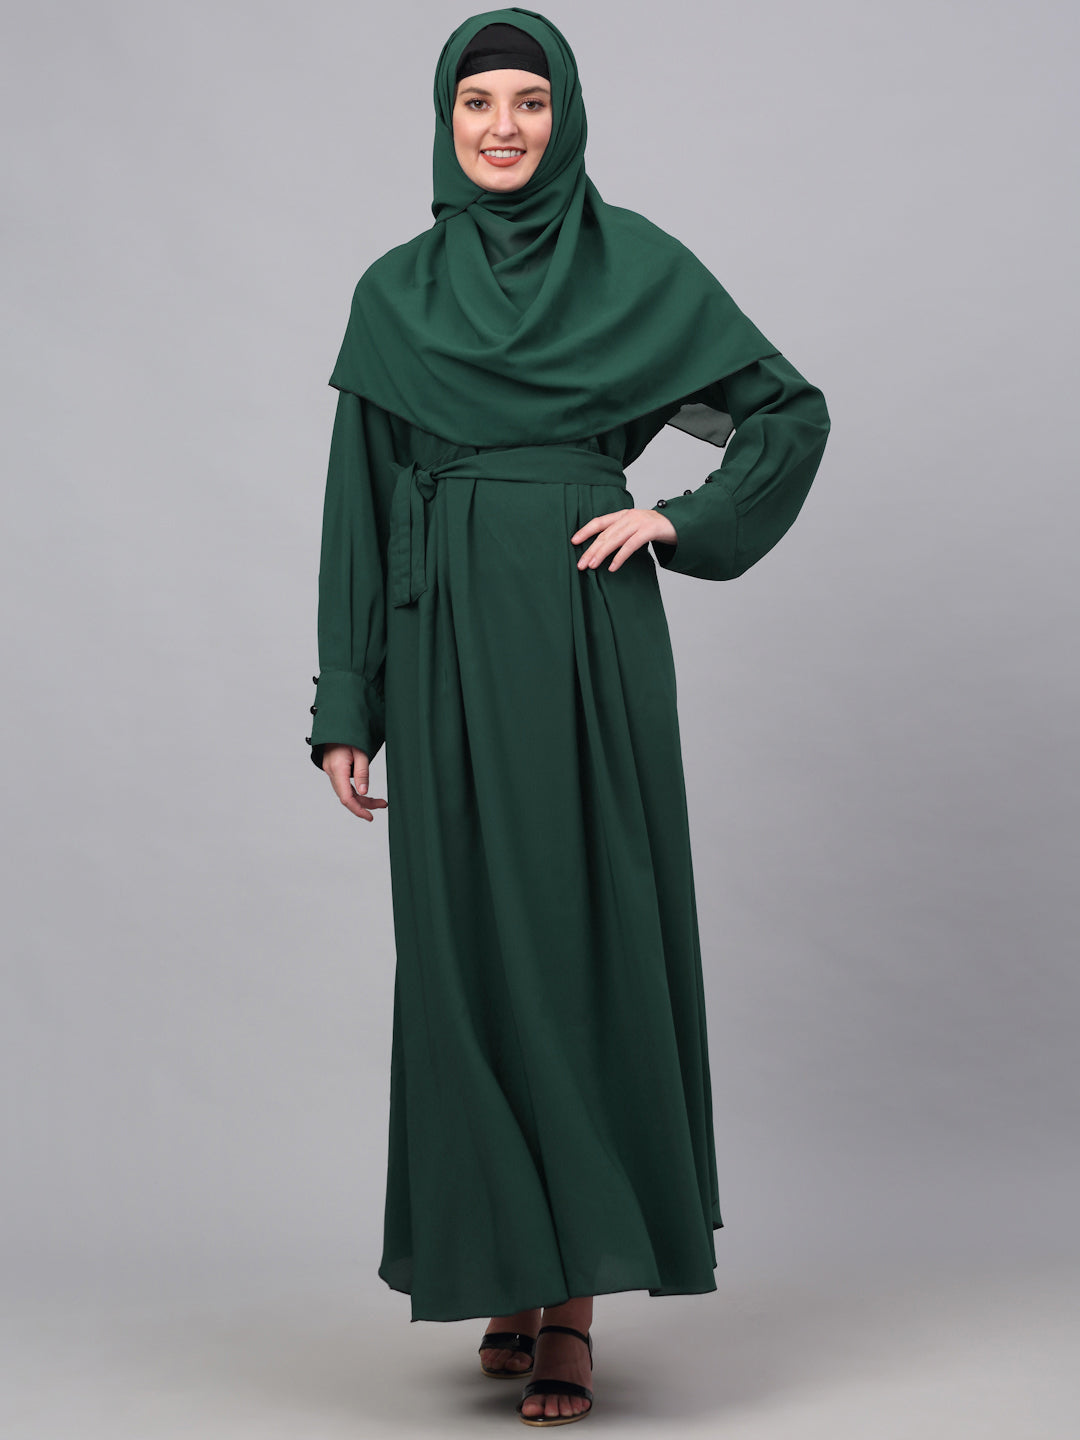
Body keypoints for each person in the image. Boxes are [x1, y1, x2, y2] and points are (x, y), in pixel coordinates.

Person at [305, 7, 830, 1427]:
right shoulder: (392, 296)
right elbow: (357, 504)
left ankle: (574, 1307)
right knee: (466, 952)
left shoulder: (634, 267)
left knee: (581, 933)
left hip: (585, 632)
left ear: (566, 117)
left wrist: (676, 518)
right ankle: (509, 1265)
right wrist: (348, 699)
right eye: (478, 101)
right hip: (438, 641)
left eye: (529, 102)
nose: (503, 127)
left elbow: (783, 414)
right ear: (445, 121)